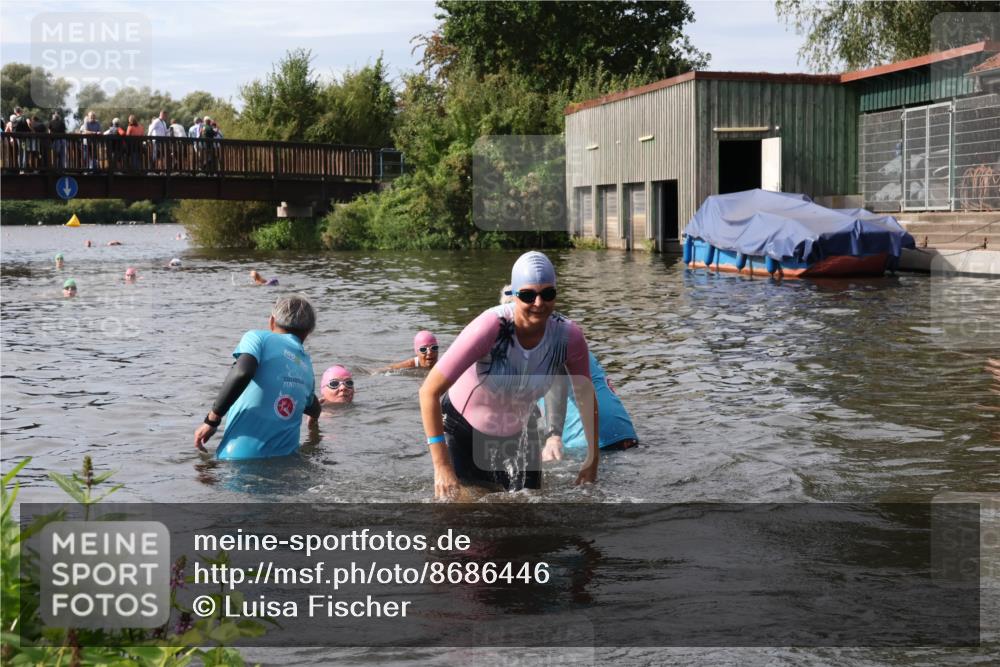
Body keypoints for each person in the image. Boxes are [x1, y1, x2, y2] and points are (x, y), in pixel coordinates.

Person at [418, 251, 598, 498]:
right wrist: (441, 466)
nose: (538, 303)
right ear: (514, 295)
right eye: (527, 295)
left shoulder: (567, 336)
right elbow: (428, 391)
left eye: (547, 294)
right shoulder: (490, 327)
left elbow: (586, 397)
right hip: (465, 430)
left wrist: (592, 459)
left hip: (521, 434)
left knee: (530, 516)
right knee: (466, 516)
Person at [498, 285, 639, 458]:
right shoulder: (568, 336)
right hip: (623, 431)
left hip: (587, 442)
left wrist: (553, 437)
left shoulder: (540, 345)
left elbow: (554, 380)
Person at [194, 295, 322, 459]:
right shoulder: (306, 364)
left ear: (272, 321)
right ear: (308, 333)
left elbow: (243, 372)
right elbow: (312, 405)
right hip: (287, 463)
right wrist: (314, 422)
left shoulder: (258, 338)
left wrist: (211, 420)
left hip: (239, 459)